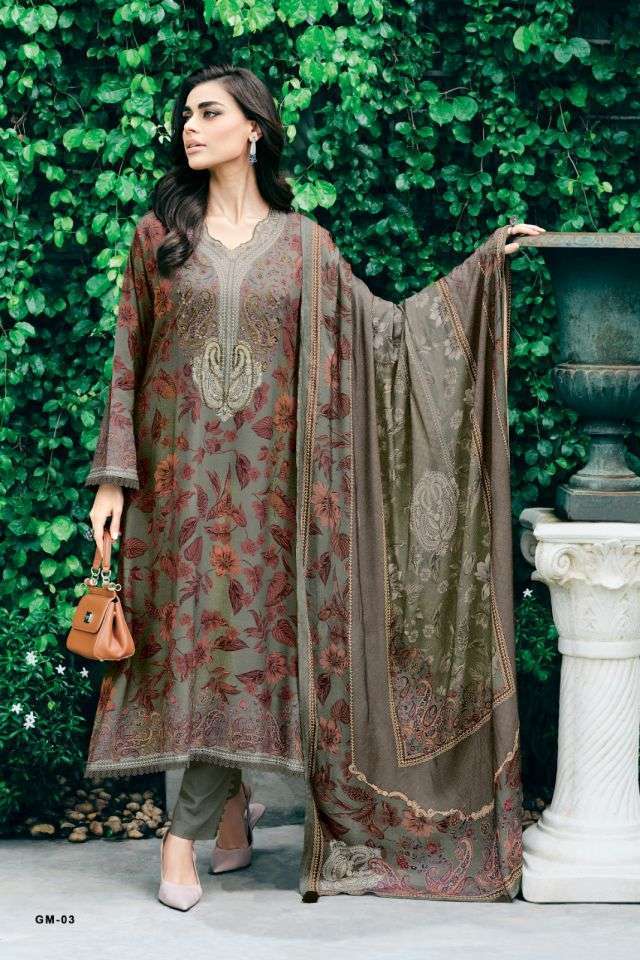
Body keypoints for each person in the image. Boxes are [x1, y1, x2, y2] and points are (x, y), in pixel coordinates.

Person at [85, 62, 544, 910]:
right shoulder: (159, 236)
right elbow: (127, 359)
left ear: (253, 129)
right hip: (178, 487)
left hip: (273, 497)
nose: (190, 127)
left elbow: (383, 334)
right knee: (191, 651)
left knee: (238, 650)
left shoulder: (305, 245)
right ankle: (230, 822)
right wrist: (114, 479)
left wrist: (481, 270)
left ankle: (182, 840)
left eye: (209, 113)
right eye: (185, 115)